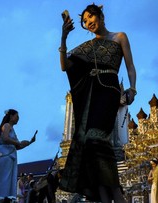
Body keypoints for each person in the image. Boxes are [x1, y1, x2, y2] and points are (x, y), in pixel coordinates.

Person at [58, 3, 137, 203]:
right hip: (91, 95)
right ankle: (106, 196)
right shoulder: (88, 47)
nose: (88, 23)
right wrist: (64, 37)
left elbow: (130, 66)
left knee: (96, 138)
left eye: (90, 18)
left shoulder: (120, 37)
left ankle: (115, 195)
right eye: (84, 21)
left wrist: (132, 88)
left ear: (100, 16)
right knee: (92, 145)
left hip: (108, 92)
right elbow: (65, 66)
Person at [0, 109, 36, 203]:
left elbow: (17, 146)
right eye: (17, 116)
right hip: (5, 155)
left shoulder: (12, 129)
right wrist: (18, 142)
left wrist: (29, 142)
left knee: (9, 181)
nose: (18, 119)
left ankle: (6, 199)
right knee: (3, 180)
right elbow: (5, 138)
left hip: (10, 156)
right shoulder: (6, 125)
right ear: (11, 116)